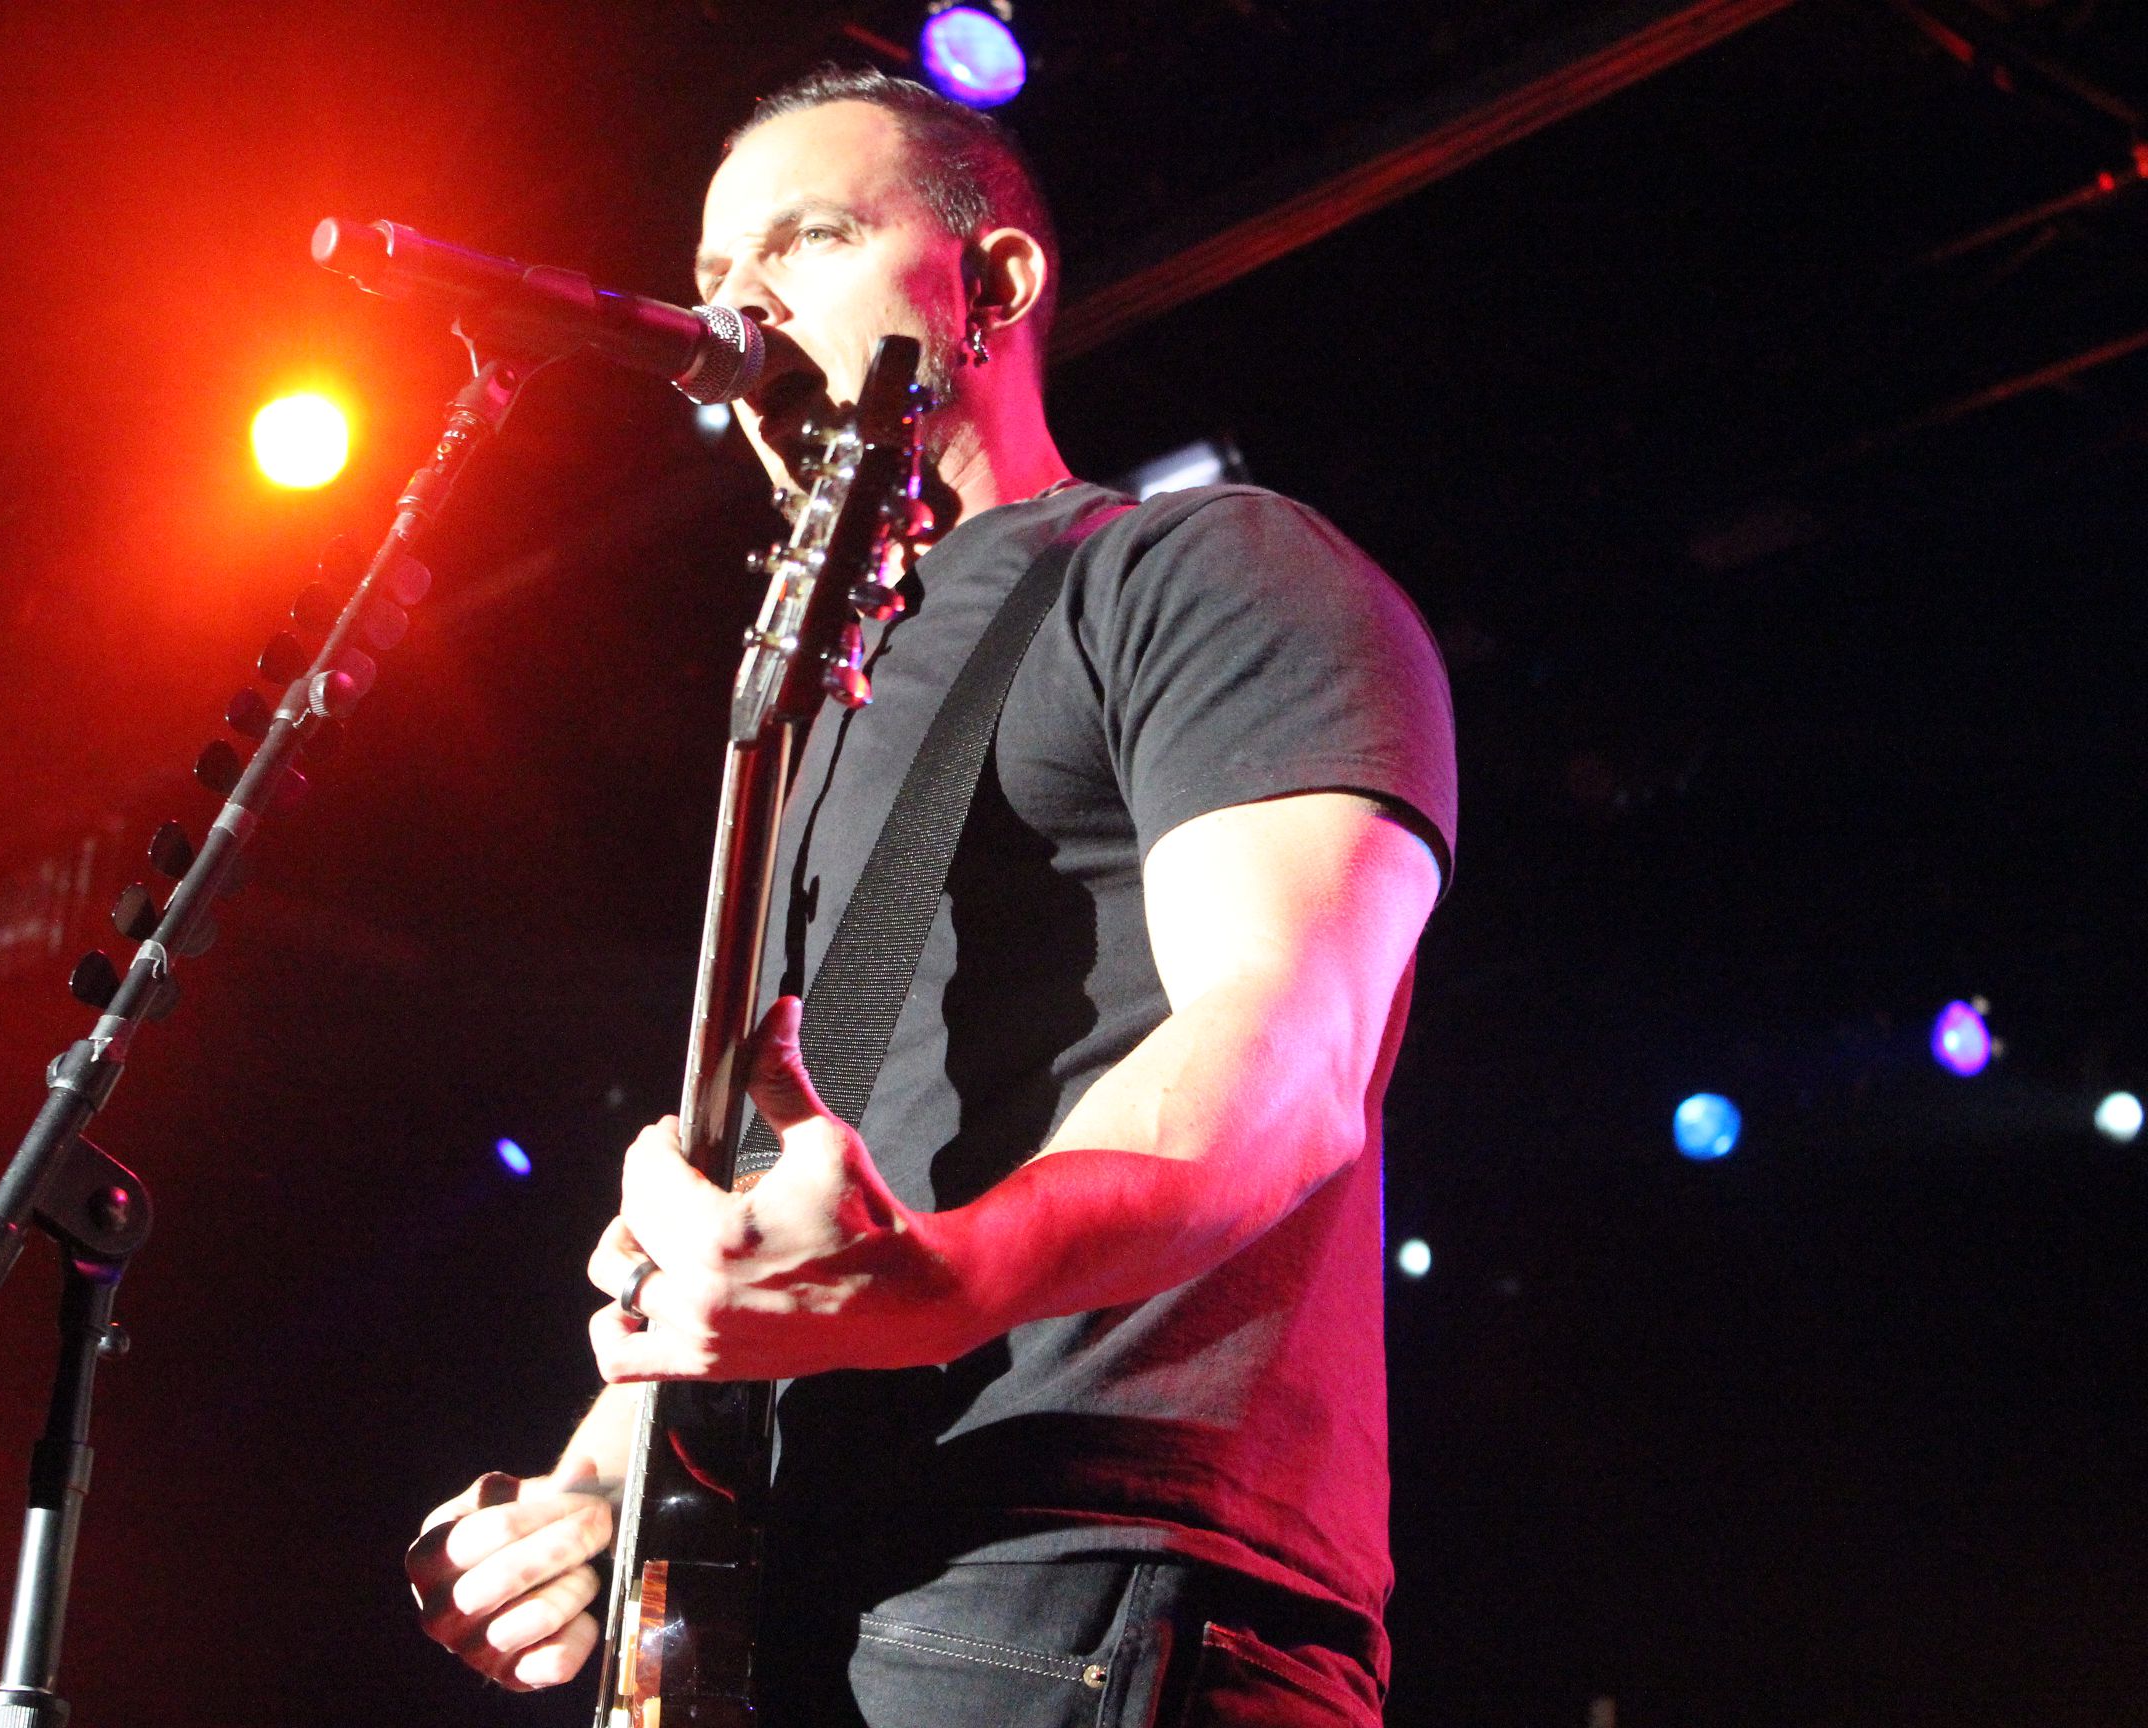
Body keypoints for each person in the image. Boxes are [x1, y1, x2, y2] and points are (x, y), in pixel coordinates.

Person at [406, 66, 1456, 1728]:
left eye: (809, 239)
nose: (739, 303)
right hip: (794, 1600)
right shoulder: (813, 706)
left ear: (993, 286)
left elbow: (1292, 1043)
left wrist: (942, 1282)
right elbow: (789, 1200)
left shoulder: (1198, 571)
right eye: (713, 272)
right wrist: (599, 1486)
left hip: (1076, 1568)